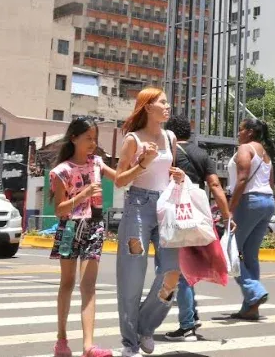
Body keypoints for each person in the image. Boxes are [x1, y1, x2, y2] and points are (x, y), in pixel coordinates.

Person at [113, 87, 186, 357]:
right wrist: (143, 163)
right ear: (147, 107)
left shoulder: (170, 137)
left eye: (168, 102)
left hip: (165, 207)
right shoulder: (132, 139)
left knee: (172, 272)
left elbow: (168, 173)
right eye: (162, 102)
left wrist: (177, 176)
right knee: (131, 278)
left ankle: (146, 325)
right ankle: (129, 341)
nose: (168, 106)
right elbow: (120, 180)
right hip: (138, 207)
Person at [50, 118, 123, 357]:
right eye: (88, 138)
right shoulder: (61, 171)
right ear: (74, 138)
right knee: (67, 283)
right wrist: (83, 195)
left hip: (94, 225)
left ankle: (88, 346)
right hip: (70, 227)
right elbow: (60, 209)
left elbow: (121, 179)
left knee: (88, 286)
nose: (93, 143)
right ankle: (61, 339)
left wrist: (143, 162)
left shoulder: (98, 163)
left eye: (95, 138)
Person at [162, 116, 232, 342]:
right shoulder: (202, 155)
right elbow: (214, 185)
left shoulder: (168, 154)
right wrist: (226, 214)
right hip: (198, 217)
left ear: (170, 133)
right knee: (187, 270)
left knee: (180, 271)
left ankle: (187, 325)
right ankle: (192, 315)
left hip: (176, 217)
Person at [226, 118, 275, 320]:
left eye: (240, 129)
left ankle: (254, 291)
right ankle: (251, 307)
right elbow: (271, 183)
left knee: (228, 252)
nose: (238, 133)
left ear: (249, 132)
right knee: (249, 255)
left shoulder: (245, 148)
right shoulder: (265, 153)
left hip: (249, 201)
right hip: (267, 202)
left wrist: (230, 209)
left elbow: (242, 178)